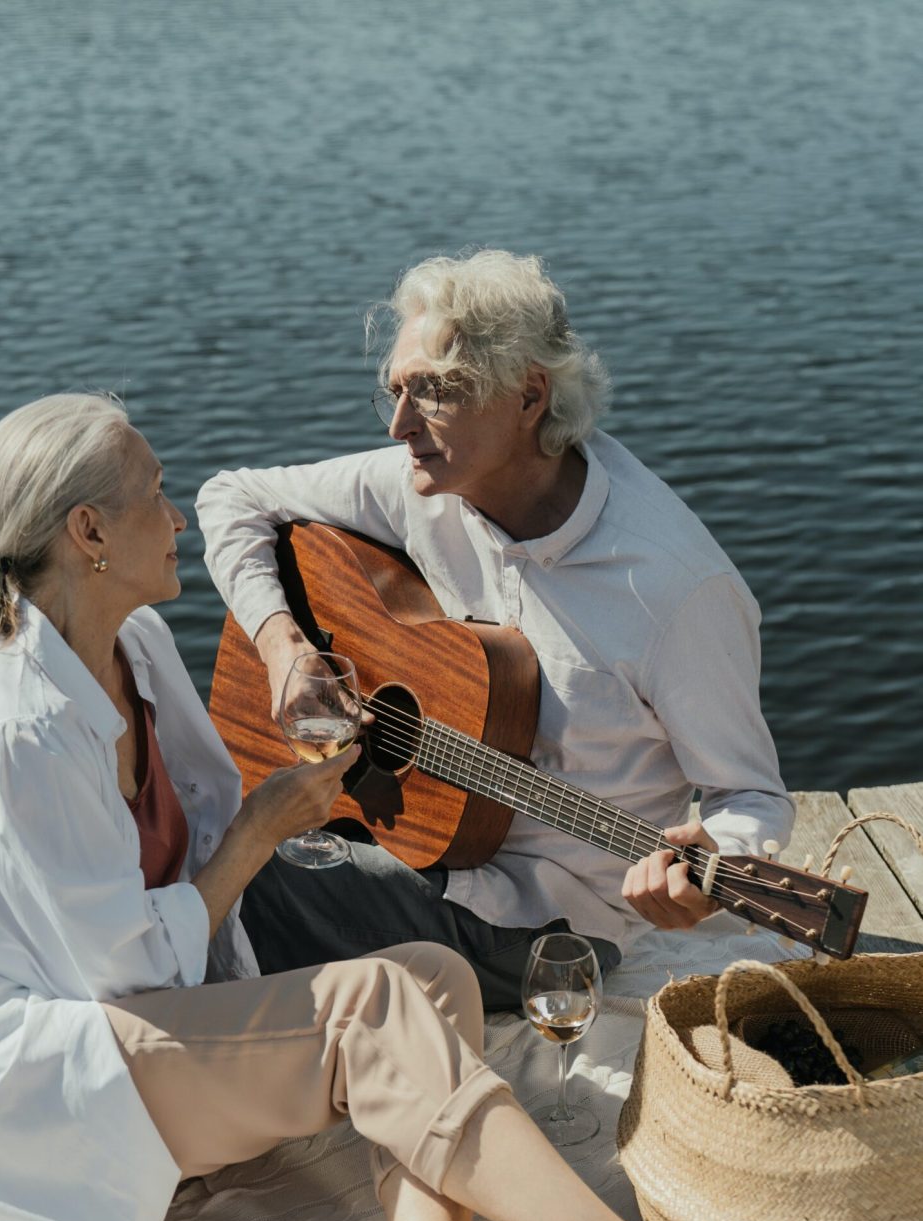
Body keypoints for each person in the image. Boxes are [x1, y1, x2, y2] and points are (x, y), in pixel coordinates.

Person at [0, 394, 870, 1221]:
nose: (177, 517)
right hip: (27, 1079)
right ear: (86, 535)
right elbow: (130, 960)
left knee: (424, 973)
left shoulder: (133, 646)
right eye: (152, 494)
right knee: (372, 1005)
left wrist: (309, 750)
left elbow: (186, 848)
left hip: (119, 1023)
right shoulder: (10, 728)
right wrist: (258, 832)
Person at [197, 249, 796, 1008]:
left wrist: (714, 867)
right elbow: (230, 498)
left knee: (243, 880)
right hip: (417, 836)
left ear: (529, 395)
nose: (399, 425)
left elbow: (751, 797)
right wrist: (284, 646)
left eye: (434, 394)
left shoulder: (676, 591)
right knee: (207, 827)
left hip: (546, 917)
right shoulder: (427, 481)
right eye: (396, 391)